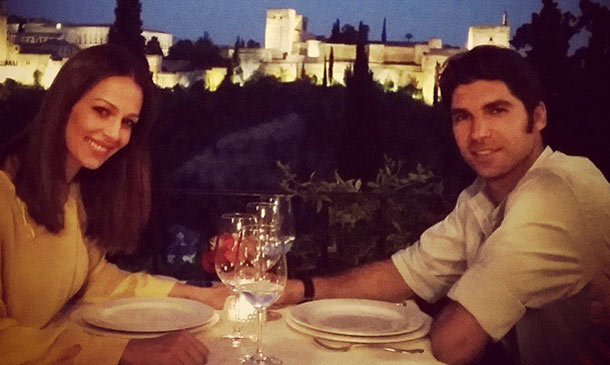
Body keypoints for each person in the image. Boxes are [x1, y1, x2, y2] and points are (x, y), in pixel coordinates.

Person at [279, 45, 610, 364]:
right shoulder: (480, 198)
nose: (478, 133)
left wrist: (453, 305)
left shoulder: (556, 192)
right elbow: (406, 273)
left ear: (537, 117)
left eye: (497, 110)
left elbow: (455, 344)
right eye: (463, 117)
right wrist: (295, 289)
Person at [0, 44, 228, 364]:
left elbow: (98, 280)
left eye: (128, 122)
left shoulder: (72, 191)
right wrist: (123, 352)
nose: (114, 134)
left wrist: (202, 296)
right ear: (64, 104)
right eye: (102, 111)